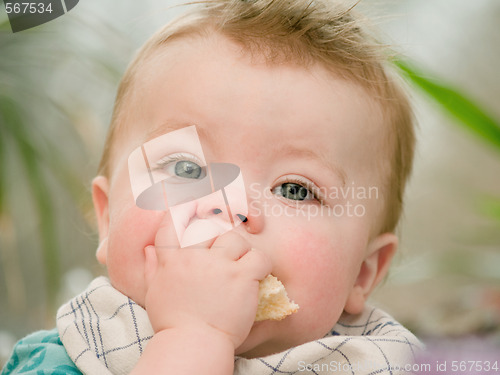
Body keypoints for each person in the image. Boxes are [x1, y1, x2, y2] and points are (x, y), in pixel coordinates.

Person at [1, 0, 422, 374]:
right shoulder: (63, 360)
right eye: (186, 167)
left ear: (363, 273)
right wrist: (194, 337)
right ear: (109, 218)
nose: (229, 205)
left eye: (294, 189)